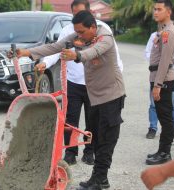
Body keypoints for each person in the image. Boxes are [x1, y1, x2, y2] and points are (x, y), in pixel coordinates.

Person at [13, 10, 126, 190]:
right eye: (77, 32)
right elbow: (55, 47)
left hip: (111, 95)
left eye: (81, 32)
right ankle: (100, 178)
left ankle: (99, 179)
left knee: (106, 139)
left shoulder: (106, 37)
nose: (78, 35)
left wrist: (76, 56)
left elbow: (94, 52)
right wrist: (27, 52)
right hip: (94, 95)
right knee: (97, 136)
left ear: (93, 27)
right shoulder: (79, 35)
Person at [35, 0, 123, 166]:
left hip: (94, 85)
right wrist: (45, 63)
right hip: (72, 82)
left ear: (89, 14)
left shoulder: (103, 30)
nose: (76, 17)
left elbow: (113, 56)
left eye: (80, 13)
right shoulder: (69, 31)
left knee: (93, 121)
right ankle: (70, 151)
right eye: (74, 14)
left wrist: (115, 80)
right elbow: (56, 49)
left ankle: (89, 151)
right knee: (70, 119)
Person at [145, 0, 174, 165]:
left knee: (165, 118)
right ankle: (162, 151)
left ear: (168, 12)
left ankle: (165, 153)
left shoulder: (168, 33)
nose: (155, 12)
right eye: (154, 9)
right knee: (163, 115)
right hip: (158, 77)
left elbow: (165, 61)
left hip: (163, 80)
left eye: (159, 9)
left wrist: (157, 85)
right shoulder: (162, 30)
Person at [145, 32, 174, 140]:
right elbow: (147, 52)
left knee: (172, 104)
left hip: (173, 74)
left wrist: (170, 61)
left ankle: (171, 129)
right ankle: (153, 128)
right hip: (156, 74)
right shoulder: (154, 36)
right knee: (154, 103)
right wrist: (158, 61)